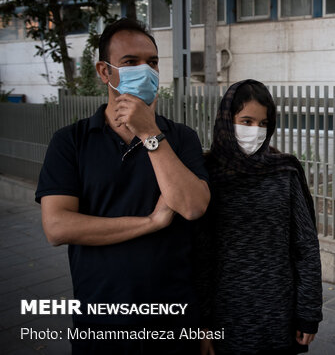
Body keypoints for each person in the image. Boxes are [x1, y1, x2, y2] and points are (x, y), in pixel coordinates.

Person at [35, 18, 211, 354]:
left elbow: (192, 206)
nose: (146, 70)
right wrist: (151, 223)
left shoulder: (181, 138)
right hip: (102, 319)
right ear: (104, 72)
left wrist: (149, 133)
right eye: (131, 62)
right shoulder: (70, 142)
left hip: (174, 320)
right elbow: (57, 227)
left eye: (153, 62)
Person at [194, 79, 323, 355]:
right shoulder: (206, 176)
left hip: (278, 314)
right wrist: (201, 324)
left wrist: (308, 312)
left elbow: (306, 247)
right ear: (227, 121)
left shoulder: (284, 171)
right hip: (225, 315)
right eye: (247, 121)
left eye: (263, 124)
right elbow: (199, 257)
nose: (255, 131)